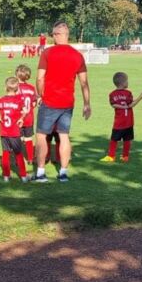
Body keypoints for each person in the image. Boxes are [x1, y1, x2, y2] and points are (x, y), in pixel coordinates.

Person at [33, 21, 91, 183]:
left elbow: (39, 78)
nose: (52, 38)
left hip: (50, 101)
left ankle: (40, 173)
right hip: (68, 103)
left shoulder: (47, 53)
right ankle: (63, 173)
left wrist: (39, 95)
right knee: (64, 136)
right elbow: (84, 83)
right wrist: (87, 104)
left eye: (53, 35)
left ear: (58, 35)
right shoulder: (77, 55)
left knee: (41, 136)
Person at [0, 77, 29, 183]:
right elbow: (26, 110)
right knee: (18, 154)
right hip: (14, 132)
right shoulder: (19, 101)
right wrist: (21, 119)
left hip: (4, 132)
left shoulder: (1, 100)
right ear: (17, 88)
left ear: (5, 88)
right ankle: (23, 176)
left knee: (5, 153)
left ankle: (6, 176)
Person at [100, 72, 142, 163]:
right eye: (127, 81)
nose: (128, 83)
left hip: (119, 122)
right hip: (128, 121)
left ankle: (111, 156)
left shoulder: (112, 94)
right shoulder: (128, 93)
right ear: (123, 83)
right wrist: (140, 97)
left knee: (114, 139)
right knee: (127, 139)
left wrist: (123, 107)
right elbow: (131, 104)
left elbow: (113, 105)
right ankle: (125, 156)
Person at [16, 64, 38, 164]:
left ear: (16, 75)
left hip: (18, 118)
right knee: (29, 138)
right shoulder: (31, 88)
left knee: (19, 139)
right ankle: (30, 158)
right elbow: (34, 102)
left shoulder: (15, 88)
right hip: (29, 117)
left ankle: (19, 159)